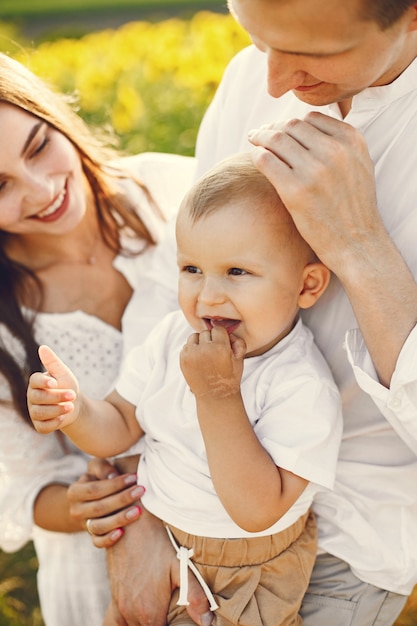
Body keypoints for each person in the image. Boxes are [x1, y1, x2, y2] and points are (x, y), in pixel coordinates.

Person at [70, 1, 417, 625]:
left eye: (315, 54)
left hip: (354, 534)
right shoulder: (246, 81)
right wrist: (141, 515)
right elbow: (180, 291)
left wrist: (361, 247)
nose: (276, 84)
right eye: (257, 41)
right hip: (178, 508)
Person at [28, 153, 343, 626]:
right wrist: (75, 410)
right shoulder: (171, 337)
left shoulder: (299, 385)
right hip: (159, 535)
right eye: (191, 269)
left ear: (307, 285)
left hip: (244, 569)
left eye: (237, 272)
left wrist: (217, 395)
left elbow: (257, 510)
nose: (208, 295)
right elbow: (118, 427)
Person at [0, 51, 197, 626]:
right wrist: (79, 504)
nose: (40, 191)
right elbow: (21, 490)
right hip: (105, 569)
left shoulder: (170, 189)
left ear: (59, 116)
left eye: (38, 146)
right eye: (0, 185)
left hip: (238, 535)